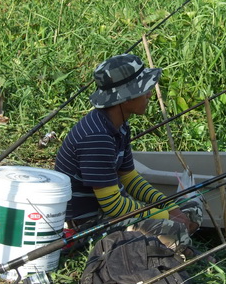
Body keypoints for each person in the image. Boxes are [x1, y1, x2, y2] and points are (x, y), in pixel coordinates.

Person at [54, 53, 203, 254]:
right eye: (143, 90)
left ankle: (176, 241)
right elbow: (113, 206)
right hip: (89, 224)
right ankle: (179, 245)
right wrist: (166, 215)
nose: (149, 94)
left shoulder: (120, 126)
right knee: (174, 231)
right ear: (124, 99)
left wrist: (169, 207)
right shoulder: (97, 137)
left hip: (113, 213)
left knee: (192, 207)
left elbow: (130, 178)